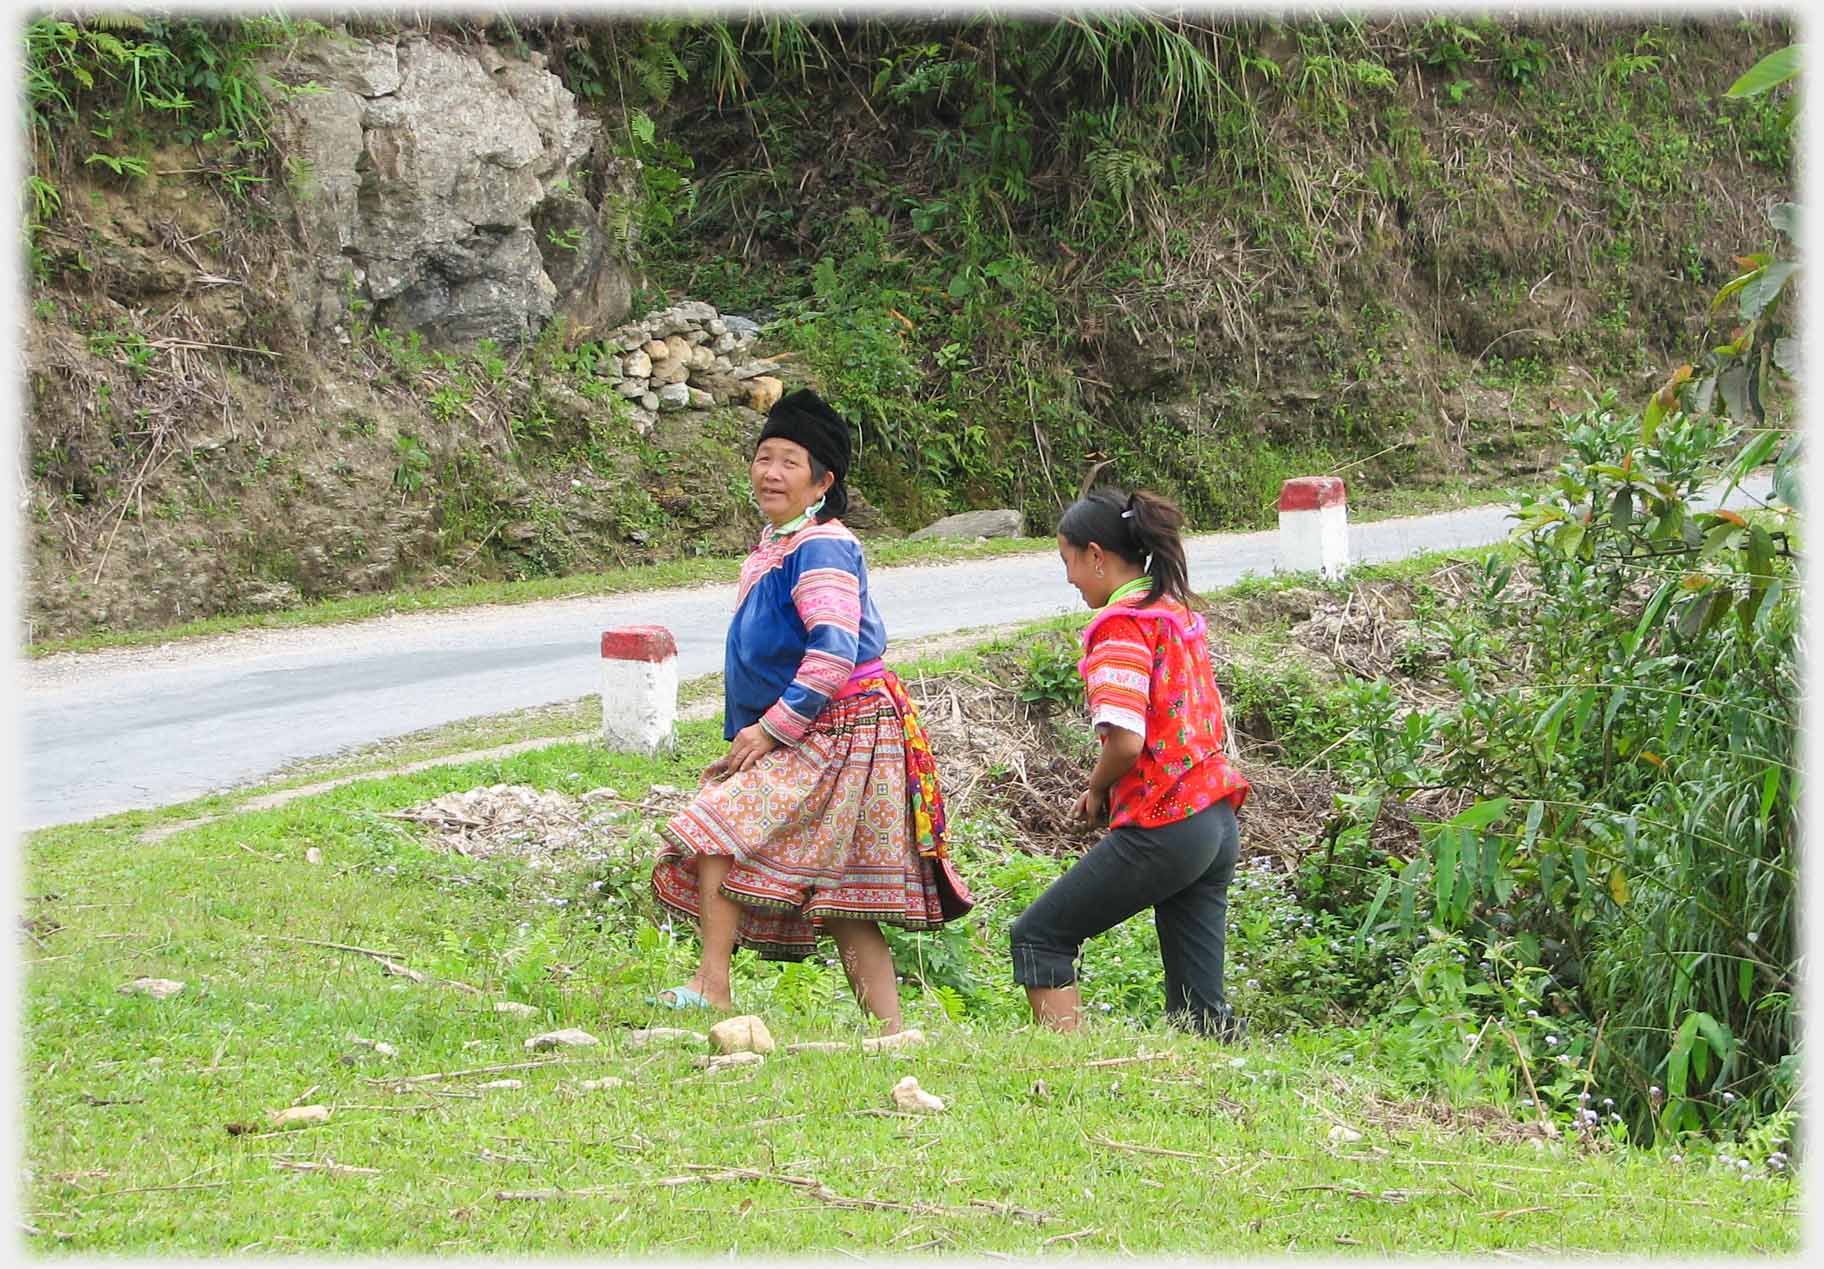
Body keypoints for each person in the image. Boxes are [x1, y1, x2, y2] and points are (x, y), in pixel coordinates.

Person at [650, 389, 971, 1033]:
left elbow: (834, 650)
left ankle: (715, 985)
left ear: (823, 481)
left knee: (719, 824)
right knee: (841, 890)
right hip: (814, 726)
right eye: (763, 457)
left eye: (790, 462)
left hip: (846, 728)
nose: (771, 472)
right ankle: (891, 1034)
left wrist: (771, 731)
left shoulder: (823, 545)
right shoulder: (775, 546)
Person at [1009, 487, 1250, 1039]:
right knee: (1200, 1013)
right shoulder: (1172, 612)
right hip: (1214, 818)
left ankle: (1068, 1075)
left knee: (1039, 936)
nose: (1069, 578)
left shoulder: (1121, 626)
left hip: (1167, 822)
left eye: (1068, 561)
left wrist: (1096, 790)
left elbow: (1125, 742)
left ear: (1096, 555)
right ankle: (1219, 1098)